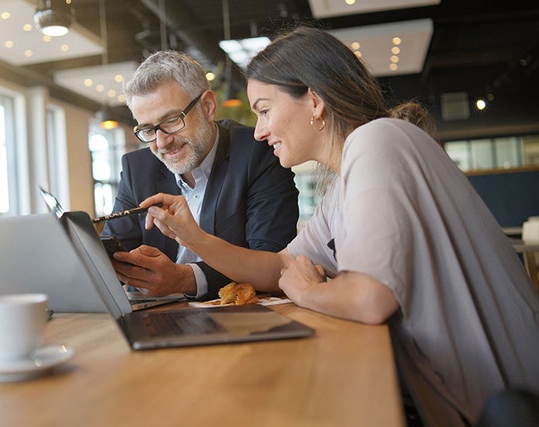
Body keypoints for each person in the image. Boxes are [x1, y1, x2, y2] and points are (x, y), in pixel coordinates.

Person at [136, 27, 539, 426]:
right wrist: (196, 239)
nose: (258, 131)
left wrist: (308, 290)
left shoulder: (377, 141)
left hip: (499, 405)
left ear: (313, 101)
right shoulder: (344, 183)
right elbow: (279, 265)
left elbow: (369, 298)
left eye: (264, 109)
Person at [102, 50, 300, 301]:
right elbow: (111, 254)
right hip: (159, 320)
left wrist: (184, 278)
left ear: (208, 106)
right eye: (148, 129)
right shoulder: (137, 168)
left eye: (172, 120)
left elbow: (273, 262)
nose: (162, 142)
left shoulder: (258, 153)